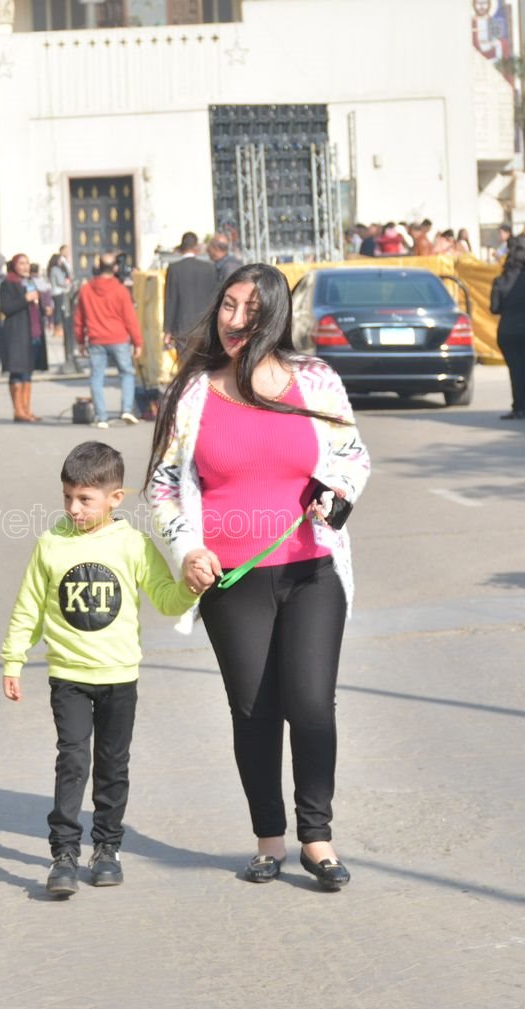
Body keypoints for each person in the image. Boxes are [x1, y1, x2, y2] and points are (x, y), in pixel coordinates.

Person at [146, 262, 370, 891]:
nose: (236, 319)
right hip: (231, 579)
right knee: (254, 710)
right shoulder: (193, 392)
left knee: (311, 704)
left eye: (251, 309)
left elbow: (352, 455)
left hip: (312, 569)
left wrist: (337, 495)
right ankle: (270, 839)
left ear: (275, 316)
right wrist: (187, 550)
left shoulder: (316, 381)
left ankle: (317, 839)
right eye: (228, 305)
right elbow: (162, 485)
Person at [1, 441, 198, 897]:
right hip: (68, 676)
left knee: (113, 766)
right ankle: (64, 853)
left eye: (85, 499)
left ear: (115, 498)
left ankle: (107, 848)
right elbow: (28, 608)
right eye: (67, 496)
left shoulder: (134, 545)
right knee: (72, 761)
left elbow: (166, 599)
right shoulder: (51, 544)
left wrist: (191, 589)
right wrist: (13, 659)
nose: (74, 508)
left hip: (119, 677)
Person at [73, 252, 143, 429]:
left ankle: (101, 417)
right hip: (118, 337)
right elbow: (130, 318)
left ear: (98, 267)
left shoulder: (86, 289)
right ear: (115, 268)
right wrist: (137, 342)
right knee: (126, 373)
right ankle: (126, 409)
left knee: (96, 377)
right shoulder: (120, 290)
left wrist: (80, 341)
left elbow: (79, 318)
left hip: (96, 338)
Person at [491, 237, 525, 420]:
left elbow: (494, 308)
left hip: (509, 330)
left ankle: (518, 407)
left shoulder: (500, 281)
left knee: (516, 371)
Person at [0, 252, 47, 422]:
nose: (25, 267)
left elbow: (36, 304)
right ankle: (18, 410)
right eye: (21, 263)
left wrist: (43, 307)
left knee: (28, 371)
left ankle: (26, 409)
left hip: (33, 332)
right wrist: (25, 299)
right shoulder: (8, 283)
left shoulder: (30, 282)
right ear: (14, 266)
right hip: (17, 333)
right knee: (17, 371)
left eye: (27, 263)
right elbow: (6, 308)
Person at [163, 231, 218, 351]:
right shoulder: (209, 268)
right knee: (203, 360)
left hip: (182, 327)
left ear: (181, 247)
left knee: (185, 361)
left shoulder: (174, 268)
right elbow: (214, 298)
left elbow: (171, 300)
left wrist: (167, 330)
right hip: (204, 326)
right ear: (196, 247)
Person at [47, 246, 79, 369]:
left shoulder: (61, 267)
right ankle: (58, 328)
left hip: (60, 292)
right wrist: (67, 283)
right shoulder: (56, 269)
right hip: (59, 292)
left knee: (60, 312)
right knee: (60, 312)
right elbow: (61, 281)